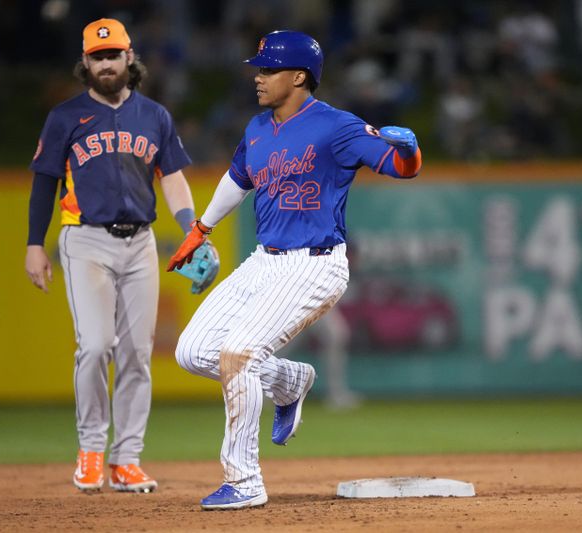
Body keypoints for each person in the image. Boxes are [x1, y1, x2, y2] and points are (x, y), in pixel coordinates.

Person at [167, 30, 421, 510]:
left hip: (315, 265)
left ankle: (244, 481)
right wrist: (201, 227)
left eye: (268, 69)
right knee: (193, 350)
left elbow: (399, 167)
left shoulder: (337, 126)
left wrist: (408, 150)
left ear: (299, 76)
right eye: (258, 69)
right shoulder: (258, 129)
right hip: (264, 260)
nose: (258, 77)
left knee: (239, 353)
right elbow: (236, 180)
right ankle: (288, 381)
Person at [24, 18, 196, 493]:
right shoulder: (66, 117)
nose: (105, 63)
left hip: (140, 242)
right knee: (97, 345)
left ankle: (127, 459)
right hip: (86, 239)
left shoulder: (155, 115)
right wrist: (34, 243)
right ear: (85, 62)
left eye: (112, 54)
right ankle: (92, 448)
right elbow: (44, 183)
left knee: (138, 354)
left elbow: (173, 176)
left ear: (129, 57)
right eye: (97, 56)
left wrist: (191, 228)